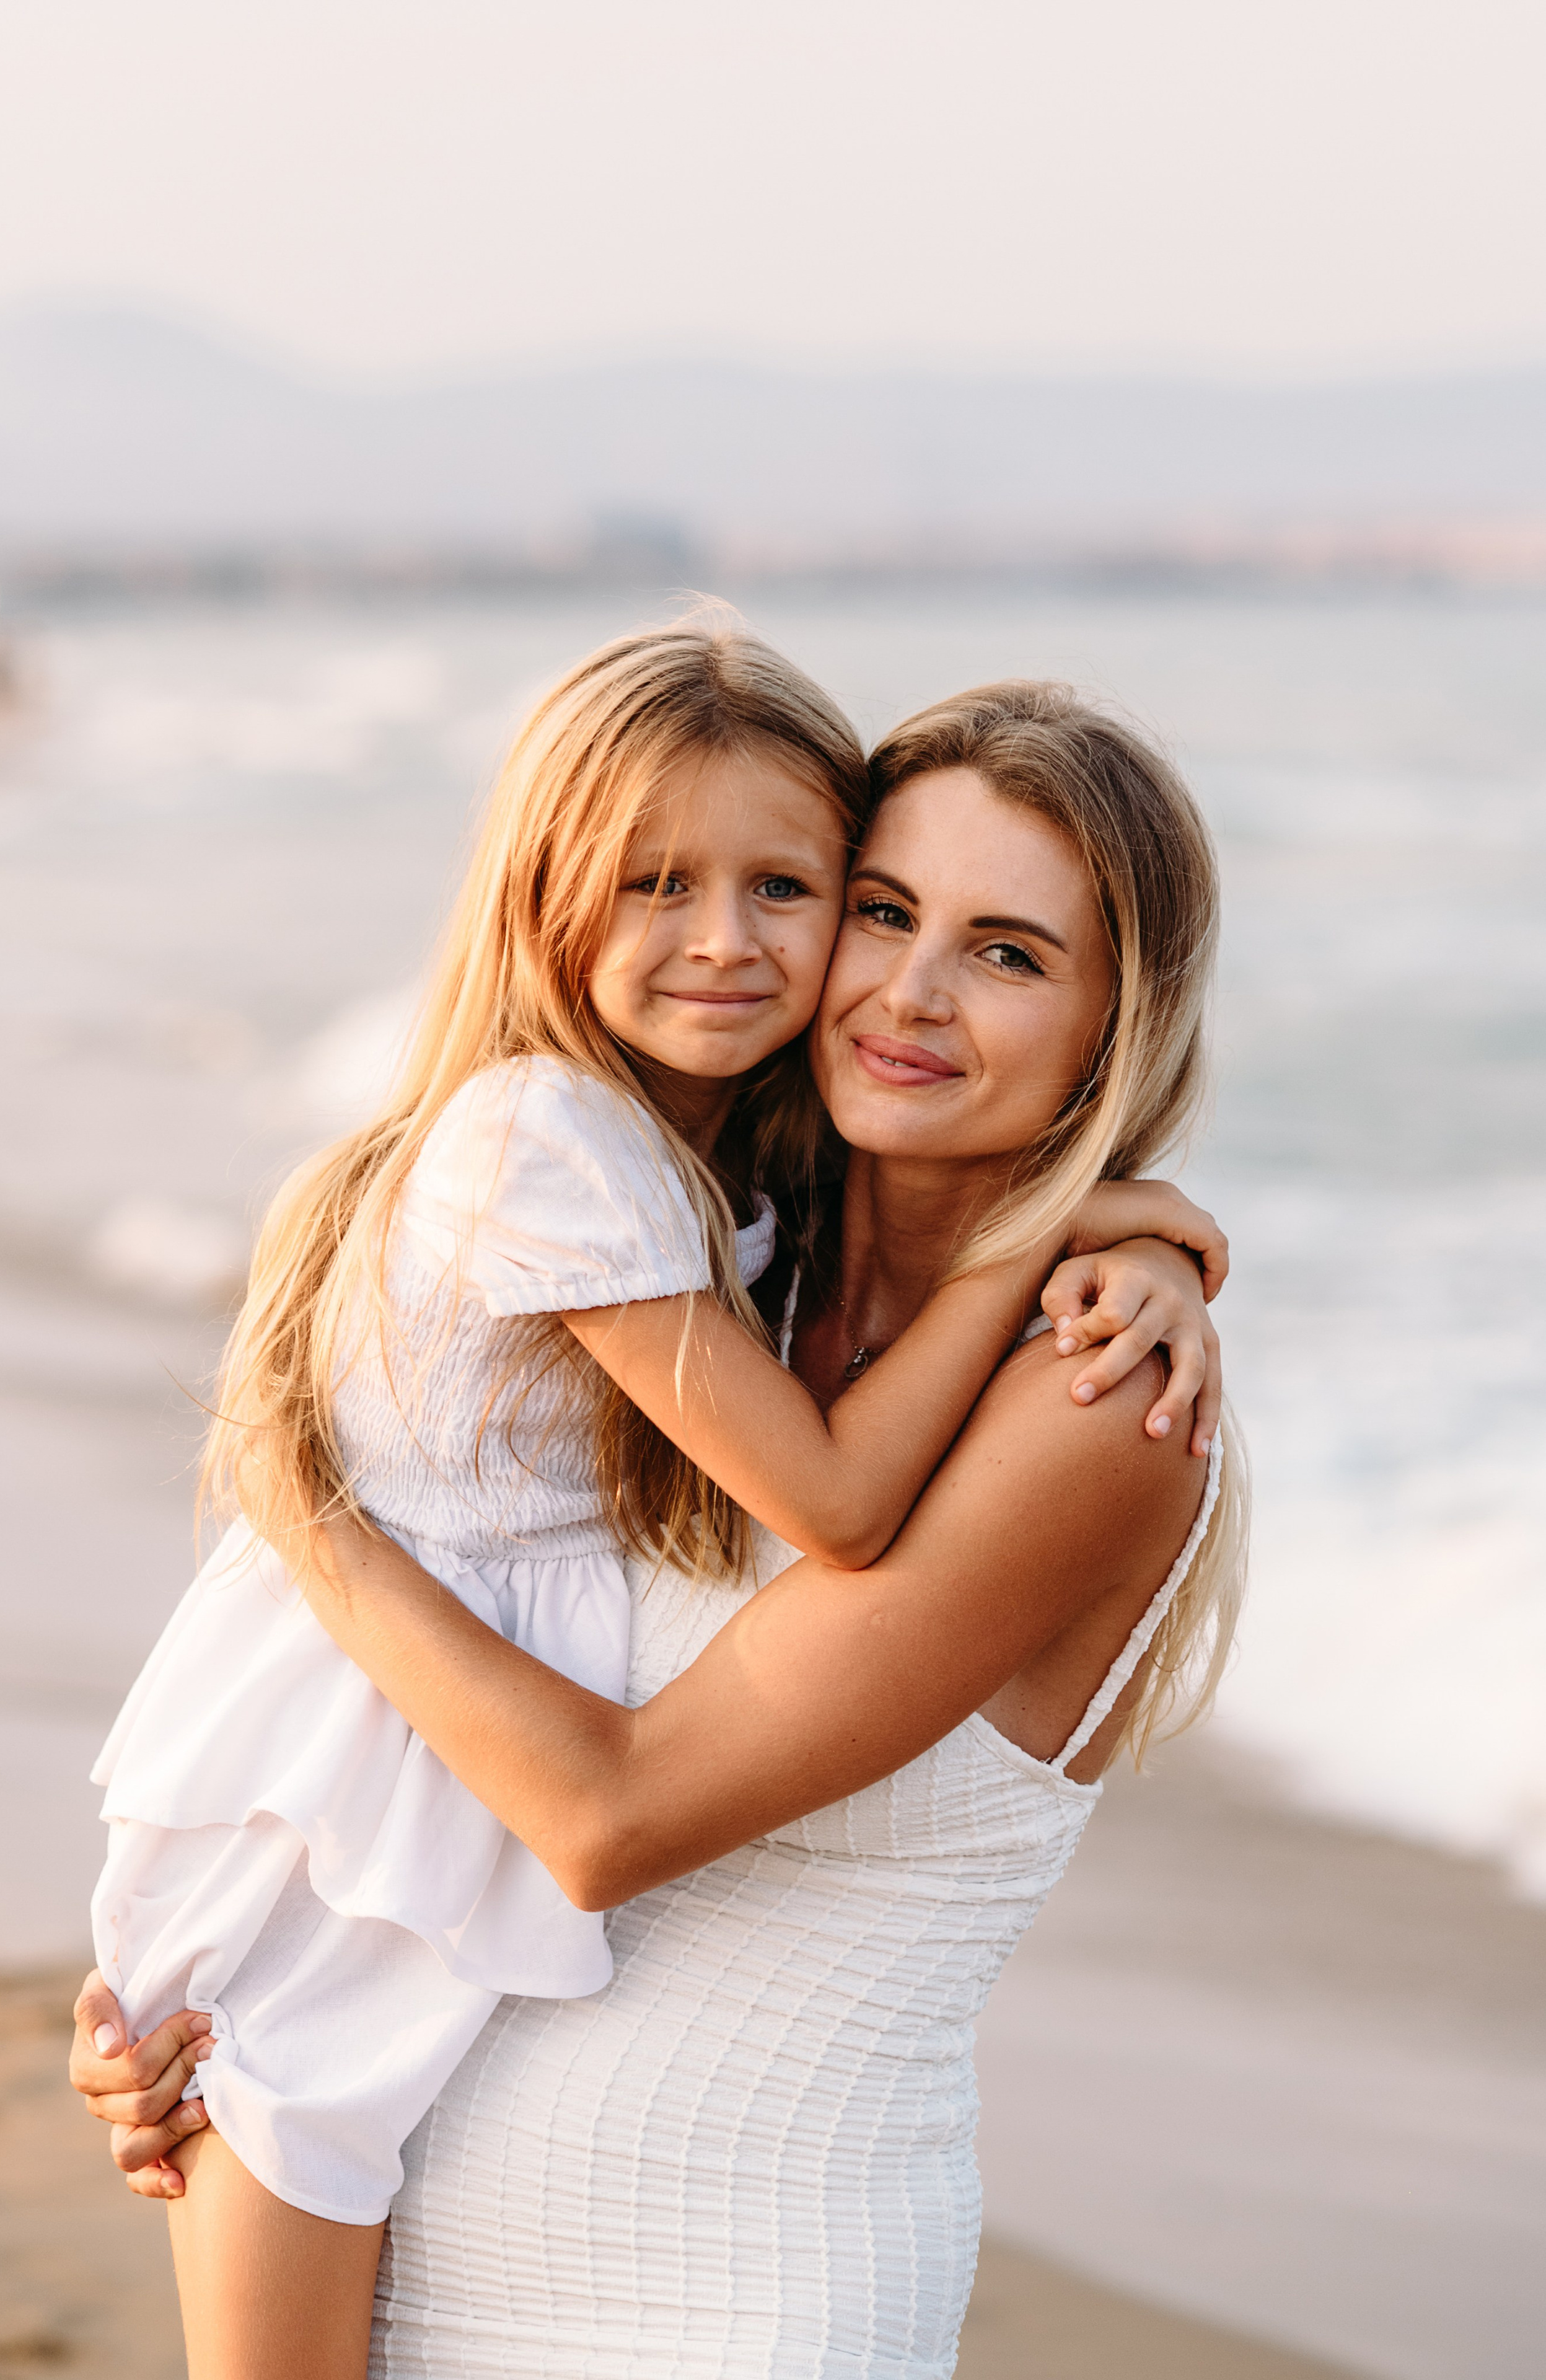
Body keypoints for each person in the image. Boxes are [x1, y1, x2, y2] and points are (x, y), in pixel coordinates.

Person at [76, 640, 1225, 2376]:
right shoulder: (719, 1273)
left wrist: (301, 1516)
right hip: (408, 2253)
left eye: (1007, 953)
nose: (910, 992)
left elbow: (602, 1819)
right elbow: (411, 1773)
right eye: (884, 912)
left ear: (1111, 1027)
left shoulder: (1099, 1399)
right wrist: (208, 1992)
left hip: (737, 2299)